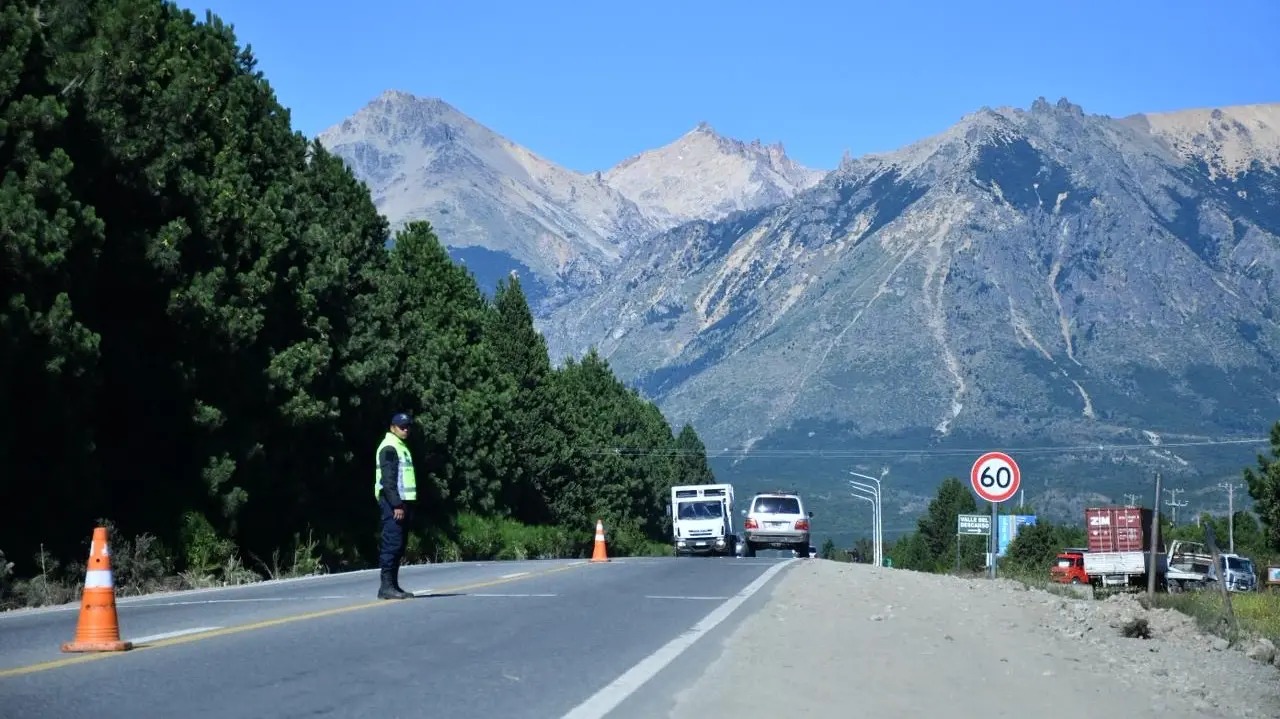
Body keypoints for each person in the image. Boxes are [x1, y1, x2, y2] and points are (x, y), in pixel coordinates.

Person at [375, 412, 417, 599]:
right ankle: (386, 587)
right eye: (402, 426)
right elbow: (388, 480)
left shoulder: (401, 446)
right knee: (392, 544)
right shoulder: (390, 447)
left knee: (399, 545)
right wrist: (397, 505)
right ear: (392, 427)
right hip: (393, 503)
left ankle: (394, 585)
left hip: (401, 503)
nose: (406, 429)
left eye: (408, 426)